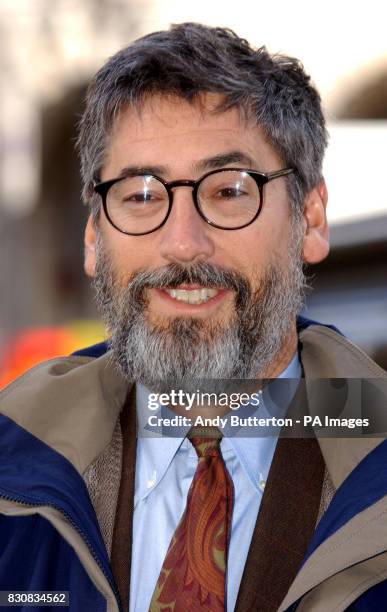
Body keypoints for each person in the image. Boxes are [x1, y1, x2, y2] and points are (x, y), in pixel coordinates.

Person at [1, 22, 387, 612]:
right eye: (141, 194)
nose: (182, 244)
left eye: (229, 190)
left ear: (310, 219)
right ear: (92, 237)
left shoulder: (374, 461)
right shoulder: (12, 468)